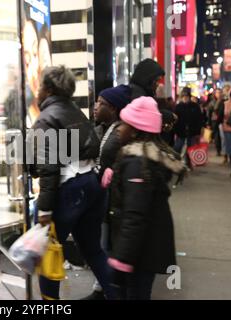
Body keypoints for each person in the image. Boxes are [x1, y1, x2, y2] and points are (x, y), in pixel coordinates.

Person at [29, 66, 112, 300]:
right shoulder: (76, 112)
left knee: (48, 254)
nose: (38, 89)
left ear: (49, 88)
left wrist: (44, 209)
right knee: (92, 249)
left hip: (68, 190)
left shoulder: (46, 119)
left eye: (41, 84)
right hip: (91, 186)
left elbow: (48, 170)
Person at [108, 96, 184, 300]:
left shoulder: (137, 164)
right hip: (142, 247)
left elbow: (135, 214)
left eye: (123, 124)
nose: (118, 128)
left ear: (135, 130)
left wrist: (121, 259)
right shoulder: (142, 159)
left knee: (136, 294)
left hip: (140, 251)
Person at [83, 85, 132, 300]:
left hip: (114, 198)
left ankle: (110, 289)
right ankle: (102, 288)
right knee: (102, 243)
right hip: (102, 196)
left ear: (113, 108)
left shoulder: (120, 131)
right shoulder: (102, 128)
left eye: (101, 103)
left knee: (108, 244)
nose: (95, 107)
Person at [173, 87, 203, 169]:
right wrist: (175, 130)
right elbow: (175, 119)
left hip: (192, 131)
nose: (185, 98)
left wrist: (198, 131)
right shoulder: (178, 107)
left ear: (189, 97)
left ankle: (188, 163)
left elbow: (199, 119)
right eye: (184, 96)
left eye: (187, 96)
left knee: (190, 148)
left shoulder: (195, 106)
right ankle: (176, 162)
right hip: (180, 131)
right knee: (177, 147)